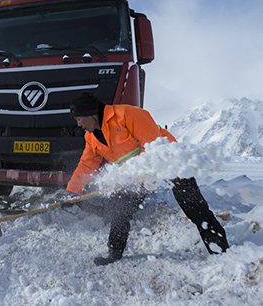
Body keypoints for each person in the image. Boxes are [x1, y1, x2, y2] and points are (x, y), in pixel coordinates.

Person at [66, 92, 229, 266]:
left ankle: (220, 250)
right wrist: (72, 192)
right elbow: (87, 164)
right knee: (119, 209)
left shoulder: (127, 114)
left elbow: (153, 147)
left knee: (194, 207)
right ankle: (114, 252)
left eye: (79, 119)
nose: (78, 124)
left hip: (170, 160)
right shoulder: (91, 137)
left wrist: (132, 178)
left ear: (90, 114)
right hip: (136, 174)